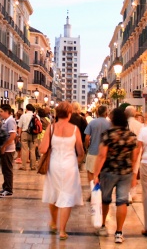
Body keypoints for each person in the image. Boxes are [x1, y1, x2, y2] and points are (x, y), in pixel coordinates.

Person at [40, 102, 84, 241]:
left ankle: (53, 222)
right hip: (70, 165)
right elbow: (81, 151)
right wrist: (77, 162)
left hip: (54, 164)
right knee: (67, 196)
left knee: (54, 193)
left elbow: (42, 149)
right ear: (70, 114)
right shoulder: (75, 129)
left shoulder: (51, 128)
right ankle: (63, 231)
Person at [93, 108, 138, 243]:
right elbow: (134, 157)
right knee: (122, 201)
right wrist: (133, 174)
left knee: (105, 199)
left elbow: (102, 155)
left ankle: (102, 226)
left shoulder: (107, 135)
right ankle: (119, 232)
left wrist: (96, 174)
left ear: (113, 120)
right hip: (125, 172)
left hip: (108, 171)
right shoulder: (131, 135)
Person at [84, 105, 111, 185]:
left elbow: (87, 137)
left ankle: (93, 190)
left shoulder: (92, 123)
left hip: (93, 151)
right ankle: (102, 190)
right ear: (106, 113)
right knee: (103, 173)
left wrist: (87, 146)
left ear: (96, 113)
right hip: (106, 153)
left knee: (90, 172)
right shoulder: (109, 124)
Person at [125, 106, 143, 203]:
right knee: (135, 170)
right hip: (137, 149)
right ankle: (133, 192)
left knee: (126, 171)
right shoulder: (139, 125)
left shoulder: (123, 124)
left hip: (125, 150)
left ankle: (127, 193)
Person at [0, 104, 17, 197]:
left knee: (8, 169)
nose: (0, 113)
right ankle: (5, 187)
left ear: (6, 112)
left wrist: (4, 146)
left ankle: (9, 189)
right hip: (5, 149)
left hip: (8, 150)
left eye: (1, 111)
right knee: (5, 169)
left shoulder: (10, 121)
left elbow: (12, 135)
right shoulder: (5, 121)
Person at [17, 104, 38, 170]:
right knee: (32, 150)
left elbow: (20, 126)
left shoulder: (23, 116)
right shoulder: (36, 116)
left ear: (27, 109)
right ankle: (33, 166)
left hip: (25, 133)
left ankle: (23, 166)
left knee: (24, 150)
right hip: (34, 135)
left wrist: (19, 135)